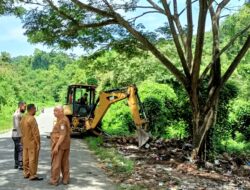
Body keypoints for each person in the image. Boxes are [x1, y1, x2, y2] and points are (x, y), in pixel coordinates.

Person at [20, 104, 43, 181]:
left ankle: (26, 173)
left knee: (25, 158)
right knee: (33, 159)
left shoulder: (23, 118)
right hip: (32, 142)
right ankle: (33, 175)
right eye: (35, 109)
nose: (36, 111)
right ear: (32, 109)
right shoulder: (32, 119)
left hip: (25, 141)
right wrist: (38, 143)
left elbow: (21, 130)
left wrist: (22, 139)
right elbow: (35, 133)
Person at [49, 106, 71, 186]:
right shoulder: (63, 119)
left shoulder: (62, 121)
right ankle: (66, 179)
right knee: (64, 162)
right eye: (54, 111)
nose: (54, 112)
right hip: (65, 144)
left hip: (60, 145)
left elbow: (62, 135)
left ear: (61, 111)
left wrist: (56, 146)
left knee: (56, 163)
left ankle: (54, 180)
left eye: (56, 111)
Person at [12, 101, 26, 170]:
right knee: (20, 149)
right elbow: (17, 126)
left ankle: (16, 164)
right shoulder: (17, 114)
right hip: (17, 134)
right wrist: (21, 136)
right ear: (20, 106)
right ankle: (20, 165)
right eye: (24, 107)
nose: (25, 108)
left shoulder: (19, 113)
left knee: (17, 149)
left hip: (15, 134)